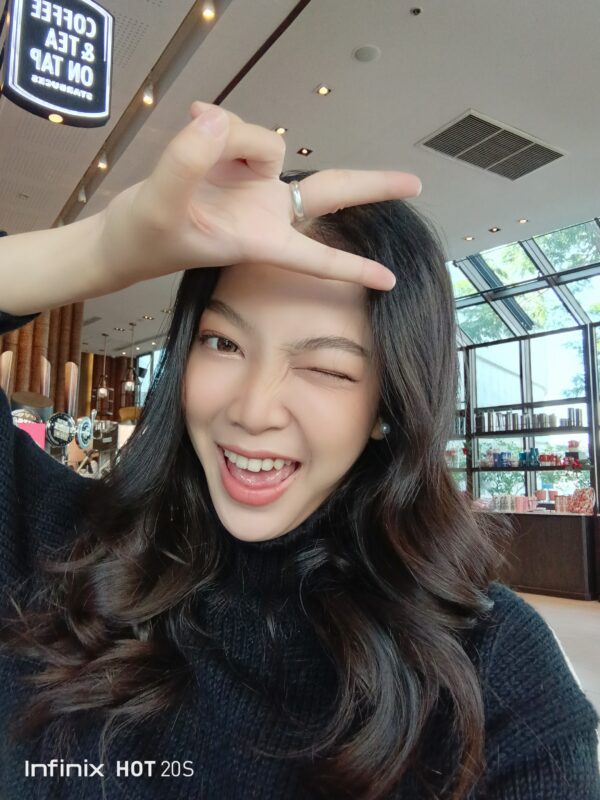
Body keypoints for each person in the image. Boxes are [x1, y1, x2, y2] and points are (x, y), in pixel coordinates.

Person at [0, 102, 598, 800]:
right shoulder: (63, 552)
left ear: (387, 405)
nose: (252, 410)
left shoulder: (490, 682)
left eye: (325, 367)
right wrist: (103, 248)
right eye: (223, 342)